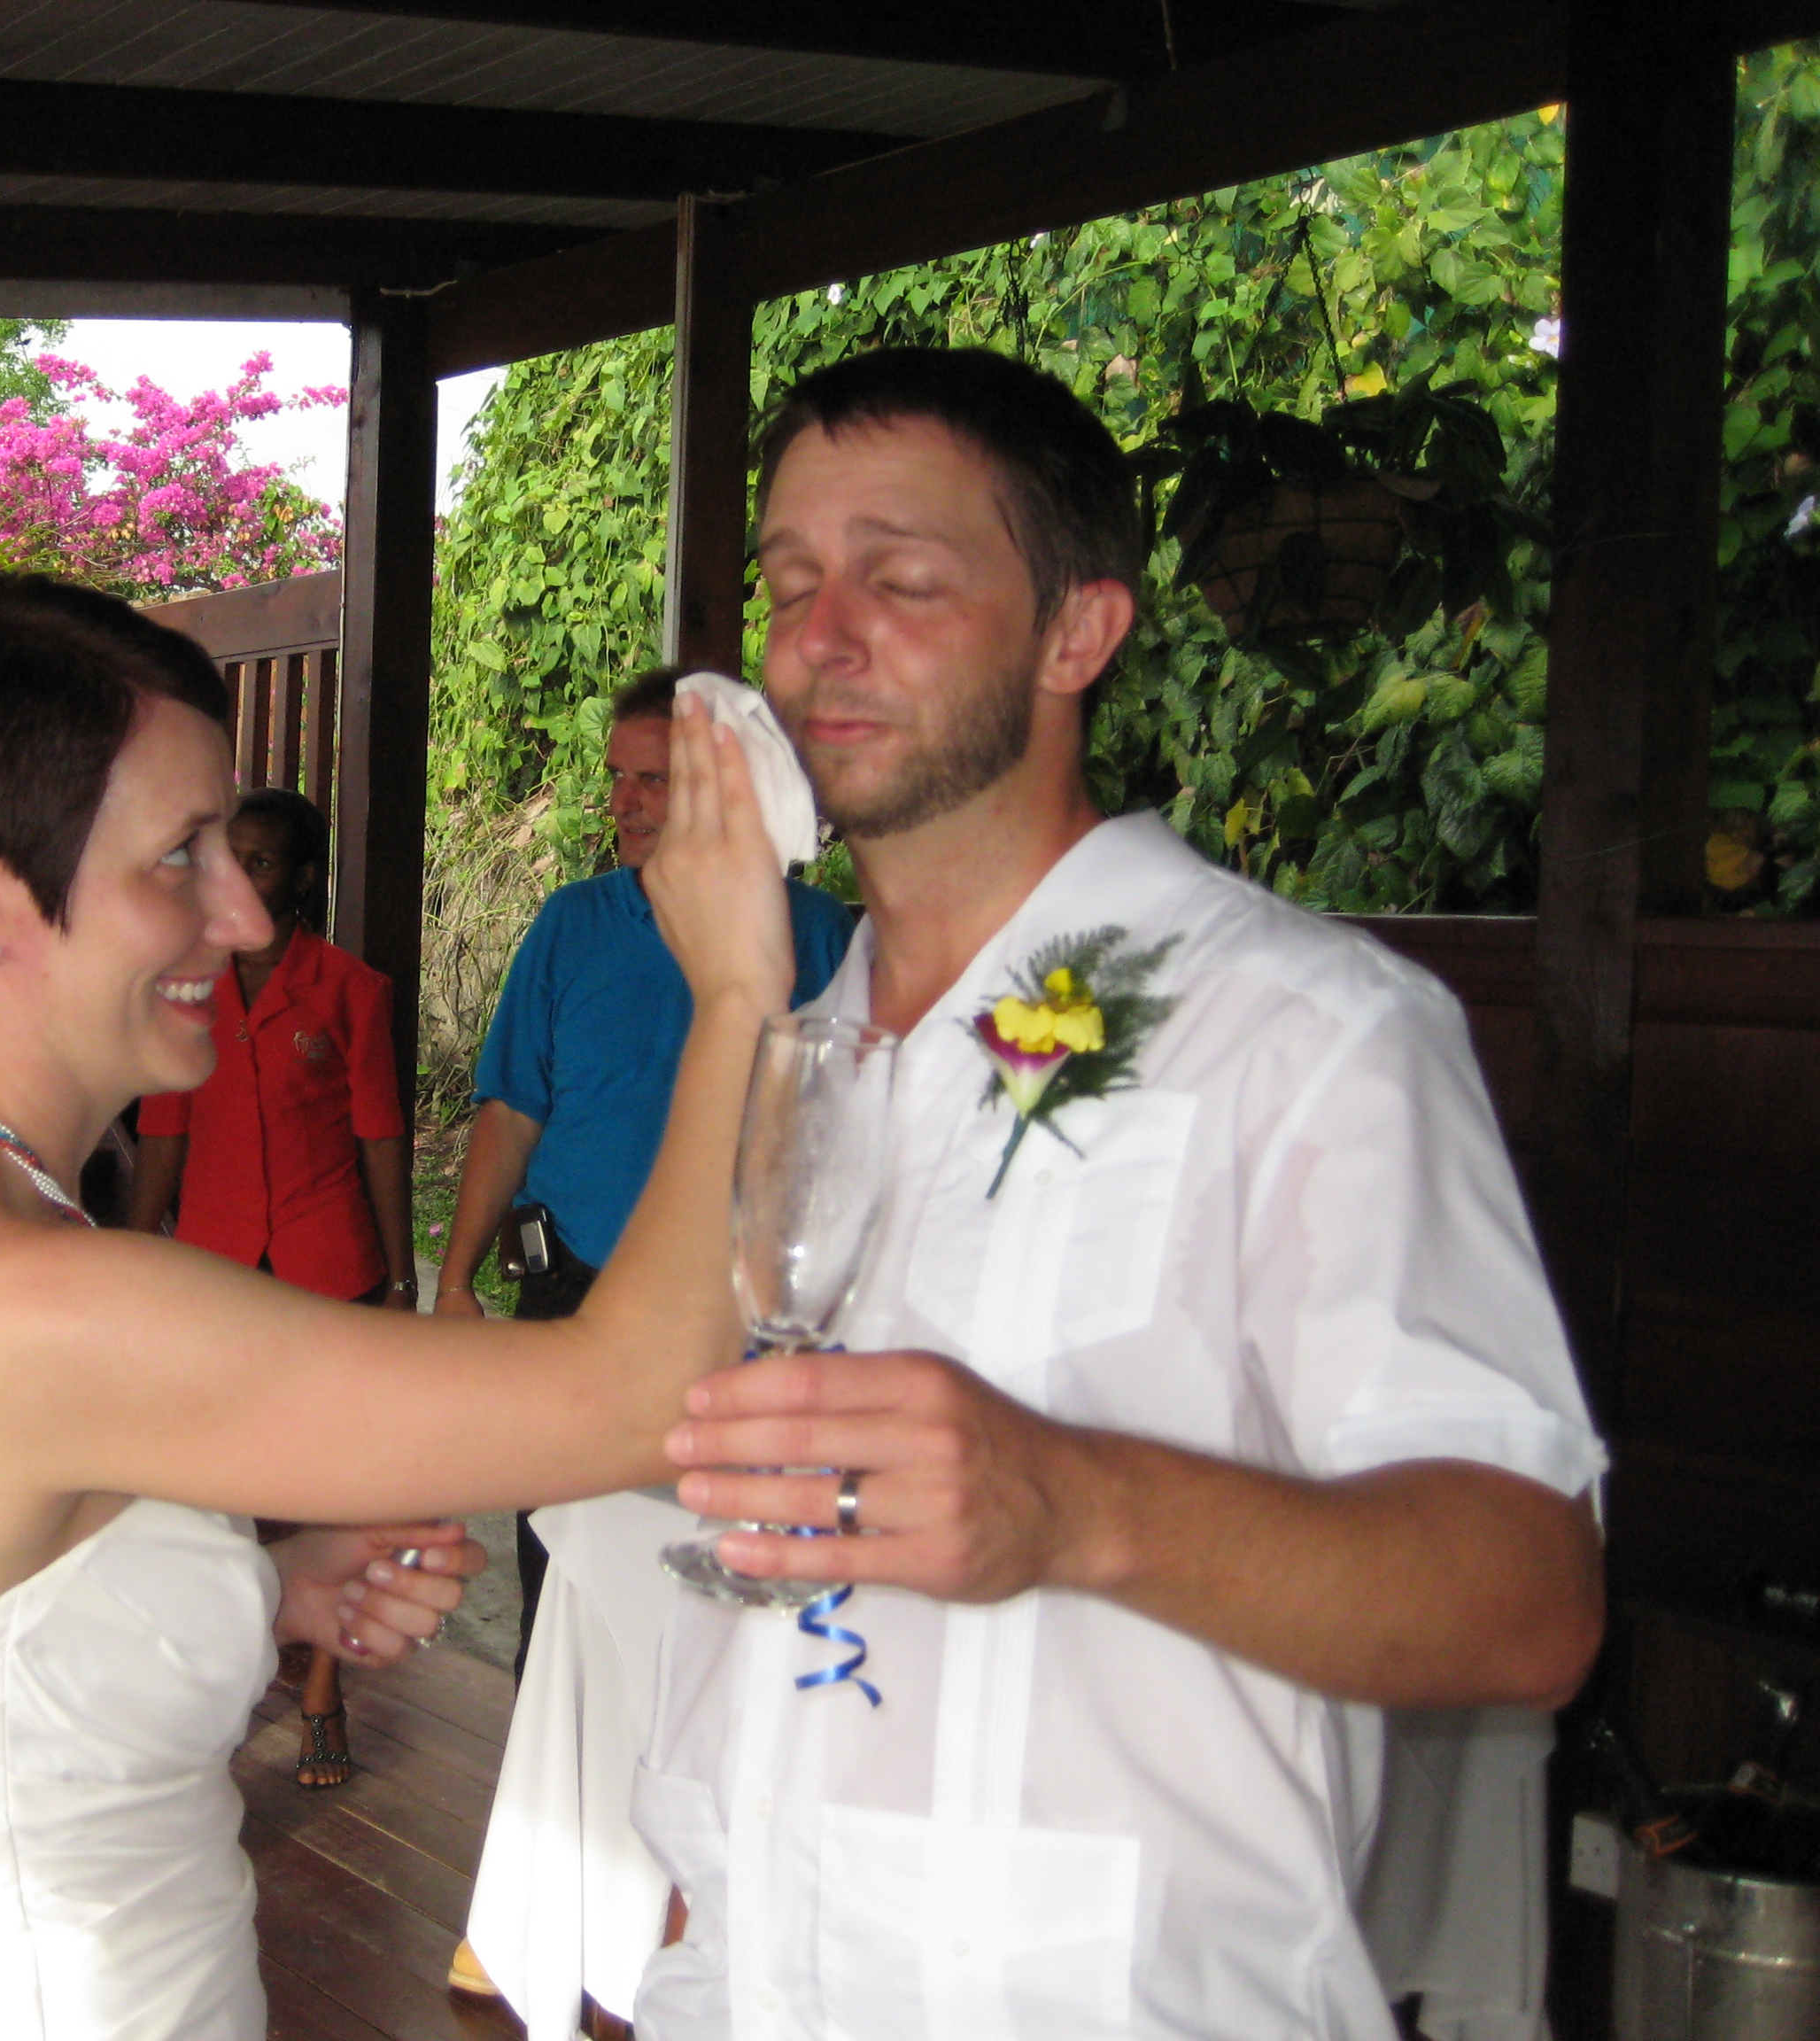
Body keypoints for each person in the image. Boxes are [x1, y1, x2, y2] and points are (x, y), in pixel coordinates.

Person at [0, 575, 794, 2041]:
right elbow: (639, 1394)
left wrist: (269, 1585)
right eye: (180, 856)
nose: (244, 913)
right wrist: (738, 991)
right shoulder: (26, 1299)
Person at [638, 348, 1607, 2039]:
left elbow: (1523, 1593)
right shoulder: (781, 1046)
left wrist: (1075, 1499)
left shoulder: (1304, 1029)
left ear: (1078, 633)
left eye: (900, 579)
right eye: (789, 583)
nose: (817, 639)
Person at [434, 669, 854, 1666]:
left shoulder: (822, 935)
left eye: (653, 780)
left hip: (741, 1317)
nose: (623, 802)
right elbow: (512, 1109)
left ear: (723, 789)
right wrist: (453, 1281)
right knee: (563, 1593)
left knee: (725, 1591)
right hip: (572, 1289)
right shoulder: (572, 924)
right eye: (617, 777)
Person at [128, 783, 416, 1788]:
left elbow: (380, 1136)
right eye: (230, 859)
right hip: (216, 1272)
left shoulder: (350, 989)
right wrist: (132, 1255)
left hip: (325, 1268)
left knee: (332, 1487)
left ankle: (324, 1690)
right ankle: (220, 1691)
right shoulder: (185, 985)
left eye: (261, 862)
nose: (241, 878)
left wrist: (401, 1278)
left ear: (301, 879)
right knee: (218, 1494)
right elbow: (163, 1132)